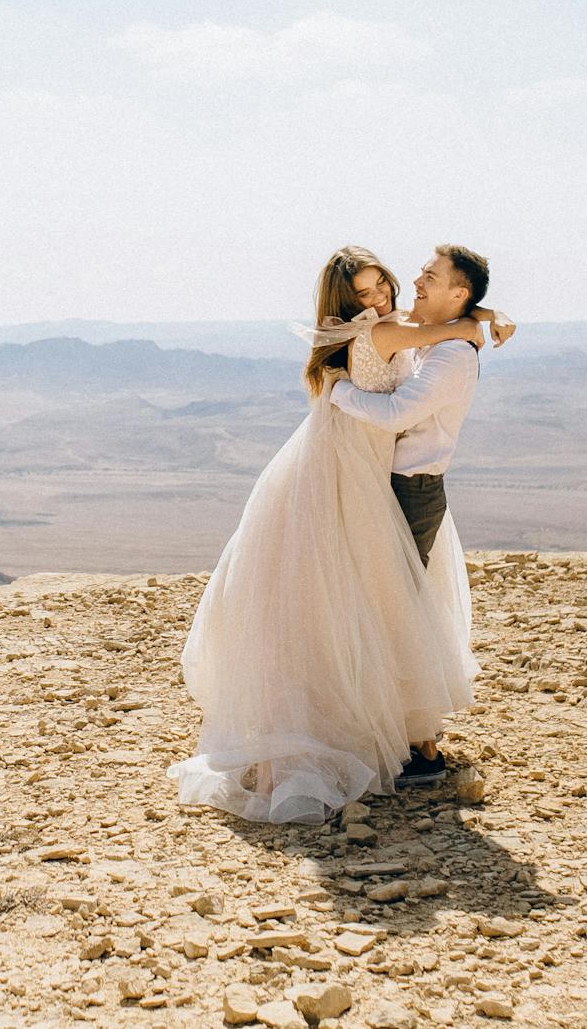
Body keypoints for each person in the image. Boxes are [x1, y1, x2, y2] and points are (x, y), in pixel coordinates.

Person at [168, 245, 507, 823]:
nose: (379, 299)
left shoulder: (377, 329)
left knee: (361, 595)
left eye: (384, 286)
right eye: (364, 293)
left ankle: (381, 727)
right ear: (344, 300)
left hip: (364, 465)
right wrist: (478, 322)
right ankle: (376, 732)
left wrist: (480, 319)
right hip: (350, 465)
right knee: (367, 594)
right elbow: (437, 343)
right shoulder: (379, 334)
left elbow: (446, 329)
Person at [329, 244, 495, 786]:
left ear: (458, 292)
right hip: (391, 485)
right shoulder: (437, 335)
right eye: (419, 273)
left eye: (430, 275)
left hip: (410, 490)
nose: (416, 282)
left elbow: (398, 412)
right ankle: (389, 728)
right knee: (385, 607)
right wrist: (482, 319)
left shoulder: (451, 355)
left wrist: (339, 394)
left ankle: (422, 748)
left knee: (400, 612)